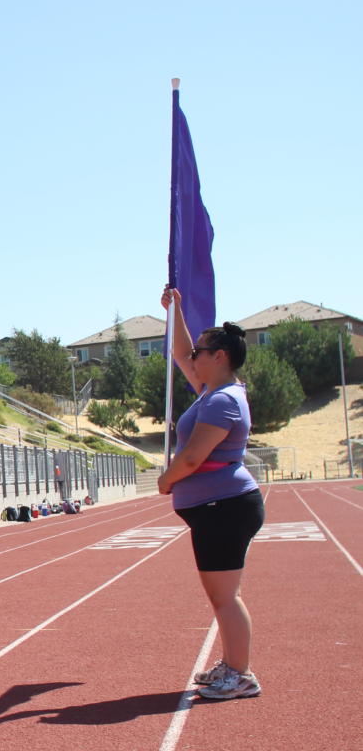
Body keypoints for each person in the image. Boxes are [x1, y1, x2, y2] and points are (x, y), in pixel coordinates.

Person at [157, 286, 265, 700]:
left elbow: (193, 458)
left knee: (225, 598)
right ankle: (231, 665)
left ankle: (240, 674)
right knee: (221, 596)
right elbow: (181, 353)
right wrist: (176, 311)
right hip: (215, 507)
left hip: (225, 507)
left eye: (203, 351)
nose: (193, 356)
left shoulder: (223, 401)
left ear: (219, 357)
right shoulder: (210, 391)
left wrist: (167, 480)